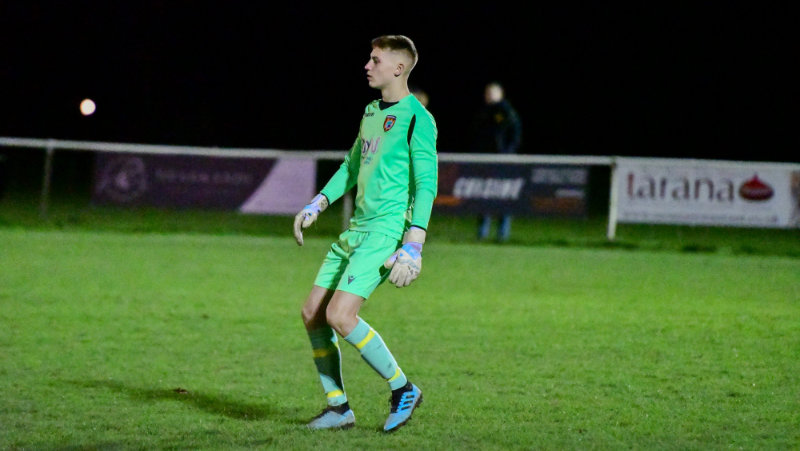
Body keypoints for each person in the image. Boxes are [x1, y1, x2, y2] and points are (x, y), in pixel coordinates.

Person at [293, 35, 437, 432]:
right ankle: (338, 408)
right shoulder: (371, 112)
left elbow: (427, 184)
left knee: (340, 315)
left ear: (398, 68)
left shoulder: (418, 119)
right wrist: (318, 203)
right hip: (356, 230)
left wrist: (414, 242)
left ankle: (403, 388)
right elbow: (351, 166)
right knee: (312, 314)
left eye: (375, 60)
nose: (367, 65)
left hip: (385, 233)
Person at [472, 81, 522, 242]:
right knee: (484, 195)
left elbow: (514, 135)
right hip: (486, 160)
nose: (489, 96)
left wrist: (506, 154)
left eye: (492, 93)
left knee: (503, 196)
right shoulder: (484, 112)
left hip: (502, 161)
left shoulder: (507, 112)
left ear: (500, 94)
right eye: (487, 93)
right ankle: (482, 232)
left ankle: (502, 234)